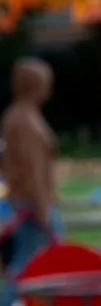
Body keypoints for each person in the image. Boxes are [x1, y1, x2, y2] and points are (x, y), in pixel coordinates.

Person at [0, 57, 59, 276]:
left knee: (29, 259)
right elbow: (33, 166)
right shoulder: (25, 120)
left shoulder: (17, 116)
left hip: (26, 198)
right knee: (29, 261)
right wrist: (43, 207)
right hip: (33, 202)